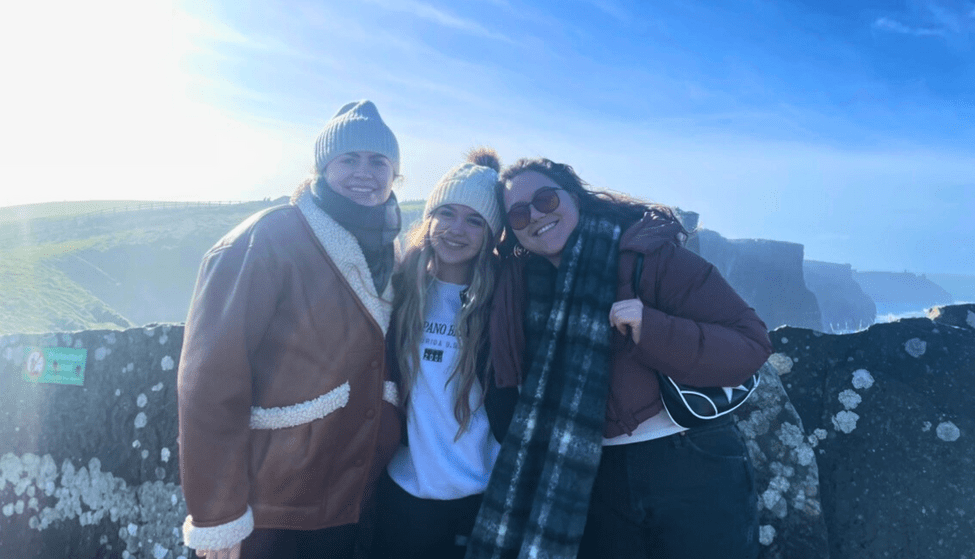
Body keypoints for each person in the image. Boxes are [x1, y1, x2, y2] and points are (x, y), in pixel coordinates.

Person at [466, 158, 773, 559]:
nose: (536, 215)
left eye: (545, 198)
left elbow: (751, 343)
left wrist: (654, 328)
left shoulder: (648, 255)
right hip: (593, 475)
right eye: (520, 213)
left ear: (573, 196)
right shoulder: (520, 288)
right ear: (513, 232)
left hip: (690, 461)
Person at [178, 100, 404, 559]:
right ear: (322, 166)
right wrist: (218, 518)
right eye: (349, 159)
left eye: (379, 161)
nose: (365, 172)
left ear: (394, 173)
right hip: (275, 506)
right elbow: (209, 382)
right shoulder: (264, 241)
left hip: (354, 496)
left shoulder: (392, 254)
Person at [371, 149, 507, 559]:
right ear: (429, 218)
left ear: (491, 233)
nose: (456, 230)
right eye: (447, 213)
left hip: (480, 494)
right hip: (404, 490)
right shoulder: (399, 289)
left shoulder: (504, 300)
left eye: (475, 220)